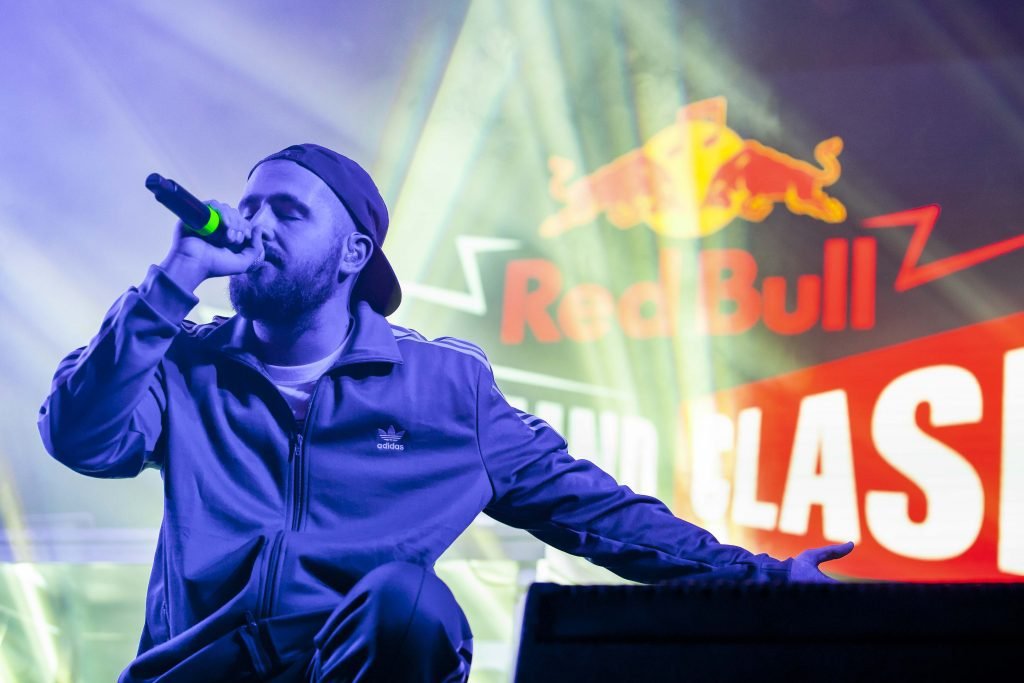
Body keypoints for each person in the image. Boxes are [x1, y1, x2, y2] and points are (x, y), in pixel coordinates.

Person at [38, 143, 853, 682]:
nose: (255, 226)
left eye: (288, 212)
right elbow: (76, 435)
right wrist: (171, 283)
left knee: (407, 600)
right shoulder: (179, 357)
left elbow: (595, 511)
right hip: (192, 673)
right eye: (249, 207)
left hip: (343, 668)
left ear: (353, 255)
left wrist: (763, 578)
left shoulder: (442, 389)